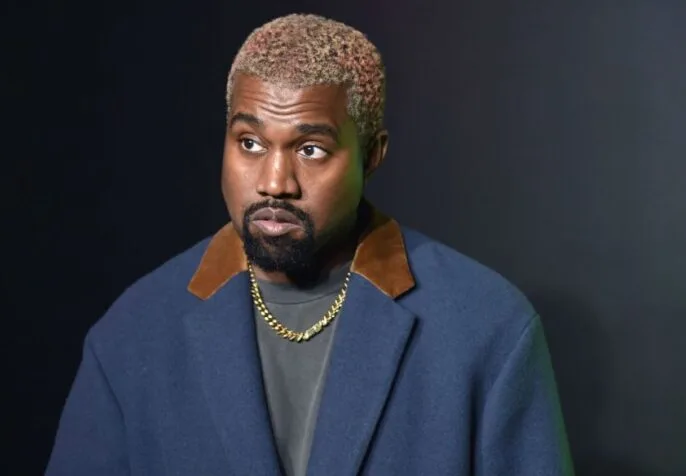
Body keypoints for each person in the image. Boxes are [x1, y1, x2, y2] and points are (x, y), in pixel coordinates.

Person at [45, 13, 574, 476]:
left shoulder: (486, 329)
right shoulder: (134, 332)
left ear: (372, 155)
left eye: (311, 149)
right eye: (250, 143)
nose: (274, 182)